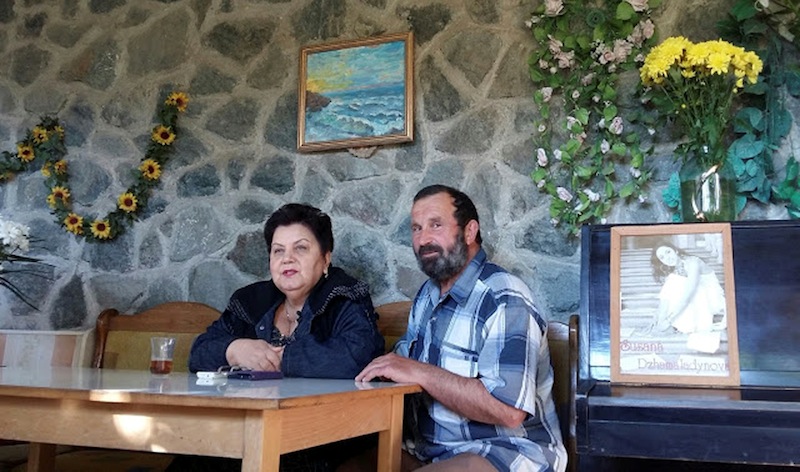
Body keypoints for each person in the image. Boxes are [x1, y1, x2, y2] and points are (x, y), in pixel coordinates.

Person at [355, 185, 567, 472]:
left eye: (436, 225)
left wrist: (418, 371)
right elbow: (402, 362)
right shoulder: (427, 296)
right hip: (429, 451)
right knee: (346, 465)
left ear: (469, 232)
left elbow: (509, 411)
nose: (423, 239)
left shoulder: (505, 297)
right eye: (416, 228)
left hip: (505, 452)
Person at [176, 203, 385, 472]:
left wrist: (280, 358)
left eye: (301, 248)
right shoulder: (250, 301)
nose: (287, 259)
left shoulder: (345, 296)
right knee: (198, 453)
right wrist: (234, 349)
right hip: (251, 425)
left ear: (325, 259)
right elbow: (198, 354)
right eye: (278, 251)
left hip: (326, 432)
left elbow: (358, 356)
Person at [650, 241, 727, 338]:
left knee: (674, 281)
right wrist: (658, 313)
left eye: (668, 252)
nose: (667, 258)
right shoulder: (676, 268)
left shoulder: (693, 262)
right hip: (697, 297)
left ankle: (667, 323)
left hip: (712, 298)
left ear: (675, 251)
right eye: (662, 257)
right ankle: (662, 320)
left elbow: (689, 293)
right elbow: (667, 295)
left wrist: (669, 320)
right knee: (672, 280)